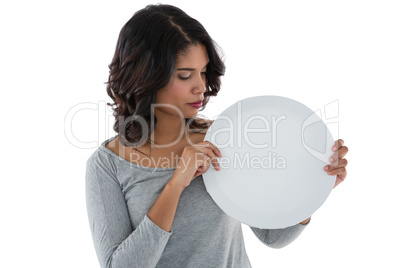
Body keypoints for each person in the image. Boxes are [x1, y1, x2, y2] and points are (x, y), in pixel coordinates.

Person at [85, 4, 349, 268]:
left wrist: (315, 187)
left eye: (202, 72)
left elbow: (272, 236)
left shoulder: (222, 136)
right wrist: (176, 184)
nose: (201, 86)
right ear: (146, 77)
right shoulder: (108, 165)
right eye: (185, 75)